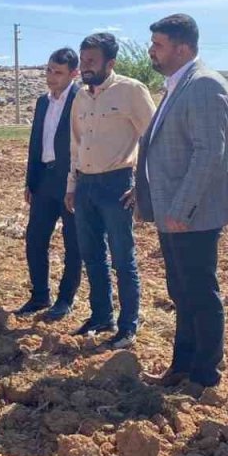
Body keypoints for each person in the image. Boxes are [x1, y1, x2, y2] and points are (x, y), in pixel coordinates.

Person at [134, 14, 228, 396]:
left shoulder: (205, 85)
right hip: (171, 211)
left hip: (192, 213)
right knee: (182, 291)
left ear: (183, 48)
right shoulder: (178, 85)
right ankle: (182, 365)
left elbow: (210, 154)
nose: (151, 51)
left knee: (200, 292)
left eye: (158, 45)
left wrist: (181, 208)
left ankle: (205, 375)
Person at [66, 33, 155, 349]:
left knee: (122, 257)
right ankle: (101, 316)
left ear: (110, 62)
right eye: (83, 60)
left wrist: (143, 187)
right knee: (92, 255)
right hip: (86, 184)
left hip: (117, 184)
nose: (85, 67)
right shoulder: (79, 96)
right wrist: (72, 185)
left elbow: (153, 140)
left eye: (92, 61)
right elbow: (75, 145)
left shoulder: (131, 91)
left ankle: (128, 326)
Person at [16, 48, 82, 322]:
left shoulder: (81, 100)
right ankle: (40, 294)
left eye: (58, 73)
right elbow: (36, 143)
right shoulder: (43, 102)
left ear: (73, 74)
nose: (51, 77)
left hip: (71, 182)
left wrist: (76, 183)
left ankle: (65, 299)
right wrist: (30, 181)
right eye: (49, 71)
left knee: (73, 243)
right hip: (44, 179)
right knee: (35, 239)